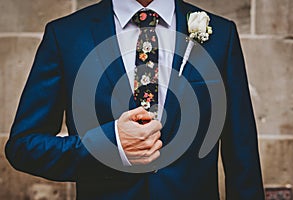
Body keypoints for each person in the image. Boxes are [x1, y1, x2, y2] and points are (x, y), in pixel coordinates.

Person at [5, 0, 265, 199]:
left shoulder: (221, 34)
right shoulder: (65, 35)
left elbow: (241, 154)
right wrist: (111, 145)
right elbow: (24, 147)